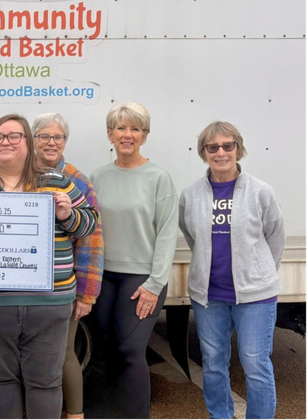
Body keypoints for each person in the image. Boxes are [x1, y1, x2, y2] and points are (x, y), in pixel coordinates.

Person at [0, 114, 98, 420]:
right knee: (0, 379)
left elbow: (89, 225)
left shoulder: (56, 182)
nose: (5, 142)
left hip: (49, 303)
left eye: (15, 136)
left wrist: (68, 214)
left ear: (28, 144)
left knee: (45, 382)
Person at [179, 121, 284, 419]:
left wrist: (258, 275)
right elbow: (192, 236)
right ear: (204, 152)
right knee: (213, 363)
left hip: (255, 296)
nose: (221, 152)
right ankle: (219, 416)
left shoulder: (261, 192)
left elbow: (275, 237)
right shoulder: (191, 195)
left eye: (228, 146)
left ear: (238, 149)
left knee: (255, 364)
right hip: (209, 296)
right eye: (213, 147)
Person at [90, 102, 178, 419]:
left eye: (135, 128)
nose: (128, 134)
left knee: (130, 350)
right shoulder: (97, 177)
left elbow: (167, 235)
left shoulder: (158, 178)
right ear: (110, 134)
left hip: (141, 280)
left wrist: (155, 284)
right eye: (121, 128)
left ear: (144, 135)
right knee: (104, 348)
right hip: (103, 277)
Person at [31, 112, 103, 419]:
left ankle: (75, 415)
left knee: (63, 354)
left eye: (57, 137)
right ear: (32, 140)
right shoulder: (19, 174)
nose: (51, 143)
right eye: (44, 136)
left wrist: (86, 294)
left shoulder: (77, 181)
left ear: (65, 141)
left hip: (63, 285)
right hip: (26, 284)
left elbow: (92, 239)